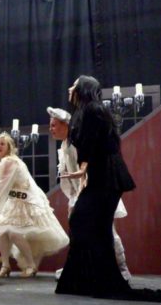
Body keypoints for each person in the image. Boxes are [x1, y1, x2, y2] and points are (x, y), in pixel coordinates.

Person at [55, 75, 161, 302]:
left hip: (107, 177)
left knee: (88, 224)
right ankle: (85, 280)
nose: (70, 87)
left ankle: (100, 280)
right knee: (86, 223)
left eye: (74, 85)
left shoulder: (92, 110)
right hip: (102, 175)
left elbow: (93, 143)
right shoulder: (88, 110)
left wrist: (83, 169)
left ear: (82, 89)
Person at [47, 107, 131, 282]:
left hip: (93, 193)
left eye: (54, 125)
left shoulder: (77, 143)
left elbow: (88, 170)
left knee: (107, 231)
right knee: (78, 234)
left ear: (65, 125)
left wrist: (83, 197)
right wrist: (74, 199)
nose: (51, 129)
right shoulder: (64, 145)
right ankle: (78, 268)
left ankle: (122, 269)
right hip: (79, 195)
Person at [0, 132, 69, 277]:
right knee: (2, 230)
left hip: (25, 201)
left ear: (9, 147)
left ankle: (31, 266)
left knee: (13, 233)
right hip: (14, 200)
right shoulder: (8, 161)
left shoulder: (10, 161)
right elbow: (5, 188)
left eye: (2, 144)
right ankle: (5, 266)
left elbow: (1, 187)